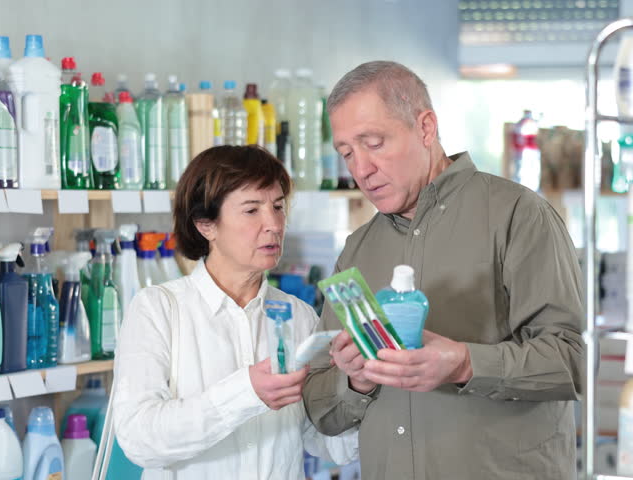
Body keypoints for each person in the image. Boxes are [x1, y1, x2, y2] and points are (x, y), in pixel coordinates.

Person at [302, 61, 584, 480]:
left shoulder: (519, 216)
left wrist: (465, 363)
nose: (361, 169)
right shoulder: (357, 251)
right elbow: (322, 409)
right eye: (347, 153)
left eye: (374, 143)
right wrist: (356, 381)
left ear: (426, 128)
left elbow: (573, 362)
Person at [113, 146, 358, 479]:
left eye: (278, 207)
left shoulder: (298, 316)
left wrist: (357, 386)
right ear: (205, 225)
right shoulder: (158, 309)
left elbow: (328, 445)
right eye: (251, 210)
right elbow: (139, 439)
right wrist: (246, 392)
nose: (273, 224)